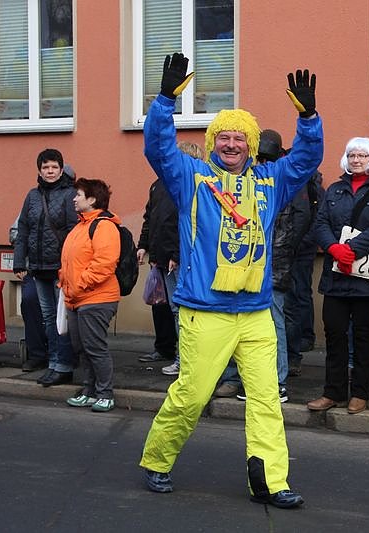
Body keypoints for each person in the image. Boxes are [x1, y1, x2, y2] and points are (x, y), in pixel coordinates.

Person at [138, 53, 322, 509]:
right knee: (193, 394)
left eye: (241, 137)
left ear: (253, 144)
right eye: (224, 136)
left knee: (266, 401)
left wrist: (309, 117)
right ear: (213, 142)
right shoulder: (191, 178)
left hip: (256, 314)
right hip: (205, 312)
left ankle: (270, 480)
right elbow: (158, 148)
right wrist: (164, 101)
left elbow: (305, 160)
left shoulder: (269, 180)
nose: (232, 143)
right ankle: (157, 460)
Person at [216, 129, 313, 402]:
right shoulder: (243, 178)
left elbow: (299, 220)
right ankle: (237, 378)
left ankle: (277, 379)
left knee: (273, 323)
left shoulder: (283, 179)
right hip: (241, 265)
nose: (261, 163)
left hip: (274, 264)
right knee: (237, 323)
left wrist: (277, 252)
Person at [306, 137, 369, 415]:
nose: (357, 159)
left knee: (363, 335)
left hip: (365, 278)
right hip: (336, 274)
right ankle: (332, 392)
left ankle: (359, 392)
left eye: (362, 155)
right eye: (352, 155)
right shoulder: (334, 189)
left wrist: (351, 250)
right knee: (334, 333)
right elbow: (319, 223)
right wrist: (334, 248)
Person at [137, 141, 204, 376]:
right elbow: (151, 218)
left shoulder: (194, 186)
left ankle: (183, 359)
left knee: (180, 310)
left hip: (180, 259)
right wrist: (144, 246)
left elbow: (190, 225)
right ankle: (173, 352)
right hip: (162, 257)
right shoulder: (159, 185)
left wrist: (177, 254)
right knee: (168, 309)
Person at [13, 149, 78, 386]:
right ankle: (53, 363)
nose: (50, 172)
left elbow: (74, 233)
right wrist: (20, 261)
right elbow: (23, 230)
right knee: (49, 318)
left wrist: (68, 266)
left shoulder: (70, 194)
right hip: (38, 267)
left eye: (54, 167)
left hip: (60, 267)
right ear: (39, 170)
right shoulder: (32, 196)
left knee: (63, 319)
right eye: (45, 167)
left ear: (61, 169)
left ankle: (64, 364)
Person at [59, 178, 122, 412]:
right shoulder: (81, 225)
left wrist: (78, 285)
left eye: (79, 195)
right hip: (76, 297)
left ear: (92, 200)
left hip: (96, 298)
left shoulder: (103, 226)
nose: (74, 199)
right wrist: (65, 284)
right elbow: (70, 261)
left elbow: (104, 264)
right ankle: (89, 390)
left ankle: (105, 393)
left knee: (95, 347)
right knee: (82, 347)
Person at [285, 169, 322, 376]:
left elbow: (307, 218)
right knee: (296, 300)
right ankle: (297, 347)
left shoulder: (301, 185)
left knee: (295, 301)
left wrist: (295, 246)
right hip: (294, 250)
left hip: (297, 251)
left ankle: (298, 347)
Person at [9, 216, 49, 369]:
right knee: (29, 300)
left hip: (60, 270)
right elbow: (14, 233)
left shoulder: (70, 200)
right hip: (34, 269)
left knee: (60, 312)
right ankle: (37, 354)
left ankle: (61, 355)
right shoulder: (34, 200)